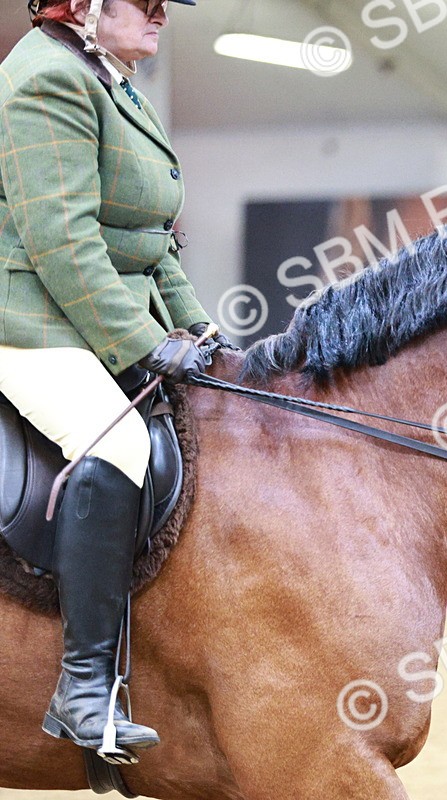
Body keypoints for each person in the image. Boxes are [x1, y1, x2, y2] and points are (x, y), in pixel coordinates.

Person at [0, 0, 231, 761]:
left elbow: (150, 238)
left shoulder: (111, 81)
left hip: (86, 316)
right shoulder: (45, 81)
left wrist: (201, 334)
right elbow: (63, 243)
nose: (163, 12)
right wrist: (140, 348)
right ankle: (84, 691)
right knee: (118, 440)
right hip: (28, 323)